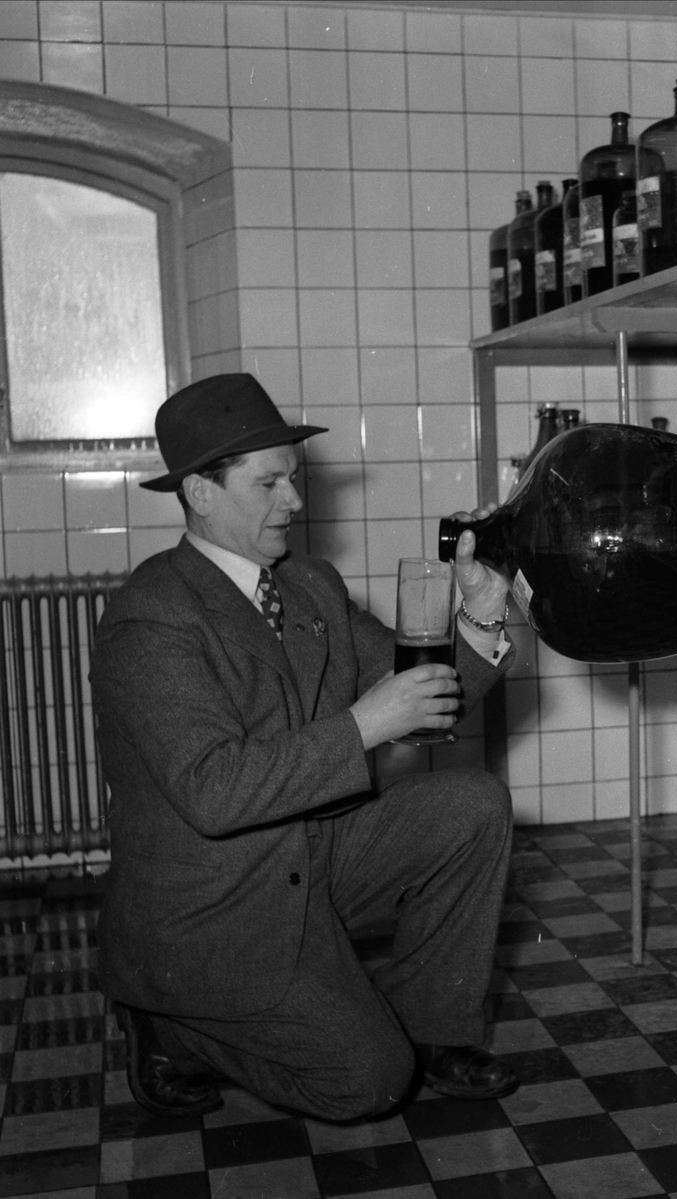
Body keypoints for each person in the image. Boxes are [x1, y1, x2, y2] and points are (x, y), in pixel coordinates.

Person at [91, 373, 519, 1122]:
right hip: (215, 910)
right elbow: (213, 790)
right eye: (270, 484)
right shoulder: (151, 618)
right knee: (370, 1081)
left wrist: (478, 620)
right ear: (199, 492)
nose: (293, 501)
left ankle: (435, 1028)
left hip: (311, 857)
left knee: (471, 802)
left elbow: (414, 698)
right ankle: (172, 1024)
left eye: (293, 479)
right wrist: (363, 724)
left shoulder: (308, 584)